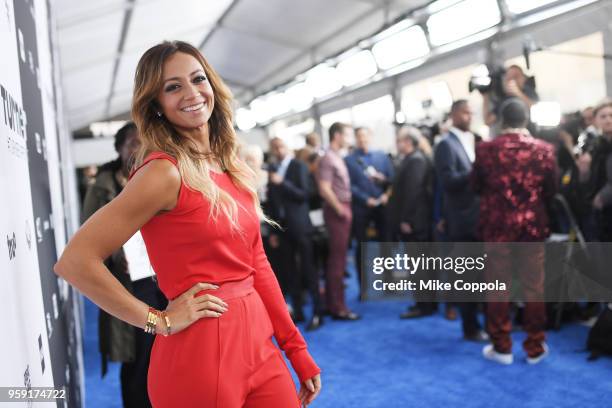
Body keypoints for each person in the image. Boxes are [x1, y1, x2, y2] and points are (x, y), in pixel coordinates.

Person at [54, 41, 321, 408]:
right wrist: (157, 321)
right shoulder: (162, 173)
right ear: (156, 105)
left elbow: (257, 263)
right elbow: (75, 261)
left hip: (259, 345)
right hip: (200, 353)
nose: (192, 93)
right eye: (172, 86)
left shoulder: (230, 166)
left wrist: (296, 348)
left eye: (198, 79)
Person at [82, 122, 167, 408]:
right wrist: (117, 256)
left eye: (145, 142)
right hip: (130, 286)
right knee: (139, 357)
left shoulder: (158, 176)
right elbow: (88, 242)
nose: (138, 148)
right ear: (119, 148)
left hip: (164, 280)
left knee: (166, 351)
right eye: (132, 143)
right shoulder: (104, 186)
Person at [472, 98, 557, 364]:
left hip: (497, 226)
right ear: (526, 119)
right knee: (534, 287)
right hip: (532, 227)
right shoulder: (544, 149)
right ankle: (535, 347)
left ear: (501, 120)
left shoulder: (485, 150)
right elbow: (551, 190)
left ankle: (502, 347)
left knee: (497, 287)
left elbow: (475, 186)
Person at [434, 100, 488, 341]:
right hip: (462, 219)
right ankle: (471, 328)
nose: (470, 116)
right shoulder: (445, 145)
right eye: (466, 112)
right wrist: (475, 172)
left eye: (471, 112)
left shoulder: (475, 139)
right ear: (455, 114)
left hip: (480, 217)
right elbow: (447, 181)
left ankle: (482, 322)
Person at [267, 137, 323, 331]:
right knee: (290, 271)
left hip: (301, 226)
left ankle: (318, 312)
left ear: (288, 147)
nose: (279, 150)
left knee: (309, 269)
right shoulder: (272, 169)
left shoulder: (298, 166)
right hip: (282, 229)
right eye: (275, 148)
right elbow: (273, 203)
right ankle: (298, 311)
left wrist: (283, 183)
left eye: (281, 146)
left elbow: (305, 194)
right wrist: (273, 230)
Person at [317, 122, 360, 320]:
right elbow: (324, 188)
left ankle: (333, 303)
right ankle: (338, 307)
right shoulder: (328, 158)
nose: (350, 139)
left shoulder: (335, 156)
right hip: (338, 211)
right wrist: (340, 210)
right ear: (337, 136)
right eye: (347, 135)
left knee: (338, 259)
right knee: (337, 261)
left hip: (342, 209)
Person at [344, 127, 393, 295]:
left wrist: (386, 194)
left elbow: (391, 179)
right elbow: (349, 186)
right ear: (355, 140)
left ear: (371, 137)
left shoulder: (382, 156)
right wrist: (366, 200)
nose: (362, 140)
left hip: (382, 206)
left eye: (365, 136)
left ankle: (389, 282)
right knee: (362, 247)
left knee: (386, 244)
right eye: (359, 137)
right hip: (361, 208)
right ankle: (363, 287)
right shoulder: (349, 160)